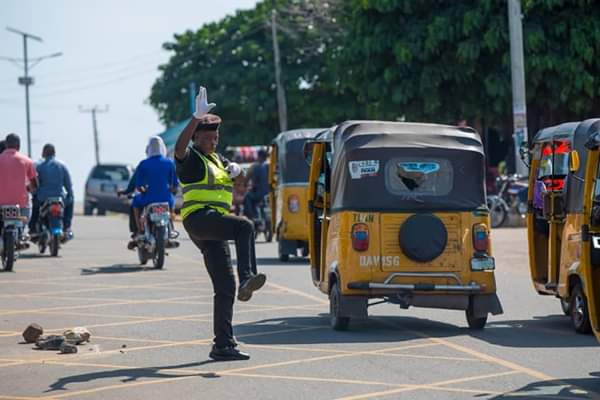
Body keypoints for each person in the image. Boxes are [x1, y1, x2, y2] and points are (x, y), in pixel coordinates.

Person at [175, 86, 266, 362]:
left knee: (225, 287)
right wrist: (195, 118)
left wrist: (239, 171)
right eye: (207, 137)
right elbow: (179, 149)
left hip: (213, 225)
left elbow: (242, 181)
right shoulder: (192, 158)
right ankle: (248, 276)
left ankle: (223, 345)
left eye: (215, 137)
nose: (213, 141)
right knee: (245, 226)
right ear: (196, 137)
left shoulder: (217, 158)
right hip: (199, 219)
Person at [131, 136, 179, 238]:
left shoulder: (143, 164)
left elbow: (139, 186)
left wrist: (144, 190)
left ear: (149, 148)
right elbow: (175, 185)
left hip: (148, 199)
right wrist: (169, 191)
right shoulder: (169, 163)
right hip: (166, 199)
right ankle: (171, 228)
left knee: (135, 202)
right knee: (172, 203)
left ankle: (139, 230)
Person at [29, 144, 74, 240]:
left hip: (43, 198)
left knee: (35, 207)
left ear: (43, 153)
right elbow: (69, 186)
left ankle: (33, 228)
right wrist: (70, 196)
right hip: (59, 198)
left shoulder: (39, 167)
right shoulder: (62, 166)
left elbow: (35, 184)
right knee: (70, 202)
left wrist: (33, 193)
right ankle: (67, 227)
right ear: (54, 153)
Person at [0, 133, 38, 223]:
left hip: (1, 205)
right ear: (19, 145)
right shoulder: (27, 161)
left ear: (6, 145)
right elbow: (35, 185)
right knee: (23, 224)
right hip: (21, 206)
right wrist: (26, 189)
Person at [243, 148, 270, 221]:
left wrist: (245, 185)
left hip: (258, 194)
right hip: (269, 194)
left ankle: (252, 216)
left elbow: (246, 180)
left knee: (247, 197)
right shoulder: (270, 166)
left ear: (258, 156)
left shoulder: (254, 166)